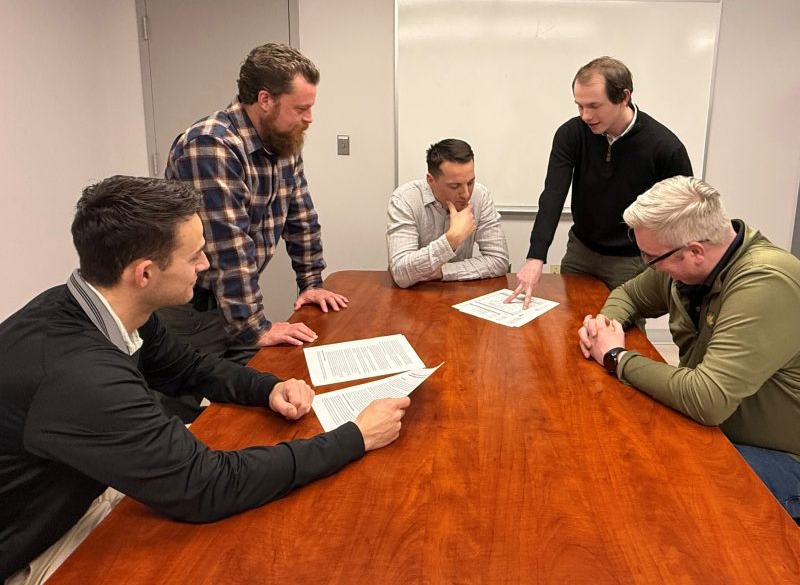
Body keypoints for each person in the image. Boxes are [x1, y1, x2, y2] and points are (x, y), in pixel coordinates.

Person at [0, 176, 411, 584]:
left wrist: (267, 388)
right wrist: (356, 436)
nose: (205, 265)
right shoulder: (79, 375)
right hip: (38, 545)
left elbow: (190, 367)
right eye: (195, 255)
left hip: (81, 487)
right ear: (144, 273)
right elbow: (205, 486)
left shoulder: (89, 305)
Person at [578, 176, 800, 522]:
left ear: (695, 251)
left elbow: (707, 399)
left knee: (655, 503)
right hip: (709, 430)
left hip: (779, 456)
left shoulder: (766, 282)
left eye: (651, 257)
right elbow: (629, 295)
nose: (647, 264)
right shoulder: (684, 264)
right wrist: (606, 326)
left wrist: (616, 357)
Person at [161, 43, 348, 366]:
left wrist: (312, 282)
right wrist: (253, 327)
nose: (310, 118)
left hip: (232, 303)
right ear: (265, 100)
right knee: (192, 409)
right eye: (300, 108)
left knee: (257, 392)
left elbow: (301, 218)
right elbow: (227, 247)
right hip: (193, 308)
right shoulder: (211, 144)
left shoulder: (282, 141)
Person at [507, 56, 693, 308]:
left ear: (624, 97)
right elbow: (553, 194)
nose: (585, 115)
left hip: (631, 260)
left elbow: (683, 213)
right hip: (581, 251)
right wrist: (535, 255)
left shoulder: (664, 147)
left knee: (622, 329)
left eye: (594, 105)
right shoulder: (571, 134)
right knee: (571, 321)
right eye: (579, 106)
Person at [386, 139, 509, 288]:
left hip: (458, 291)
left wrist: (443, 271)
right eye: (455, 186)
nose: (466, 194)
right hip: (412, 295)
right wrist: (451, 240)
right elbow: (401, 273)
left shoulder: (480, 196)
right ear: (430, 180)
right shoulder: (405, 199)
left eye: (470, 182)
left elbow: (499, 260)